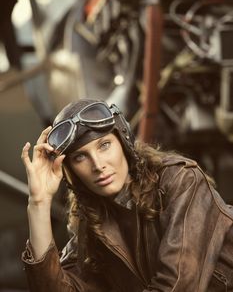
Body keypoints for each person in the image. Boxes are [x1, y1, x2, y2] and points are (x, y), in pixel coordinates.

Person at [21, 98, 233, 292]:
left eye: (104, 145)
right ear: (71, 172)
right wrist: (38, 202)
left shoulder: (180, 180)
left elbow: (177, 284)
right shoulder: (92, 227)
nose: (98, 165)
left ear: (123, 142)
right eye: (80, 157)